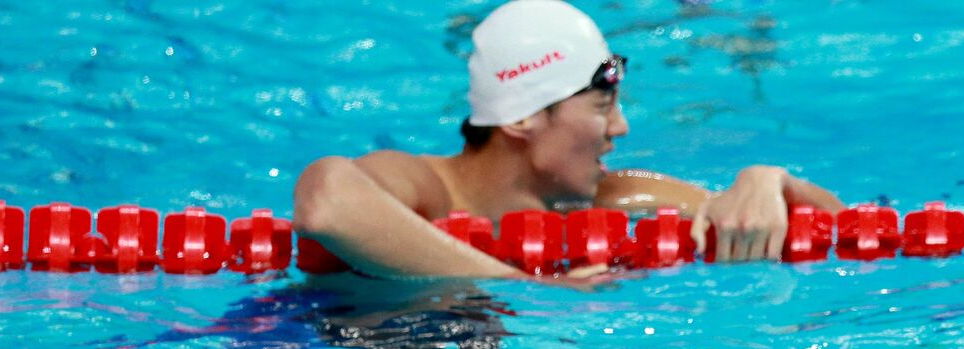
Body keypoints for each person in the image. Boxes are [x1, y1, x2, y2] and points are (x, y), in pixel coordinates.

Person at [293, 0, 845, 277]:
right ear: (521, 118)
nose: (621, 127)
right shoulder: (429, 187)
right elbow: (326, 205)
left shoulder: (619, 197)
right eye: (603, 104)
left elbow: (842, 230)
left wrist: (766, 179)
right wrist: (524, 287)